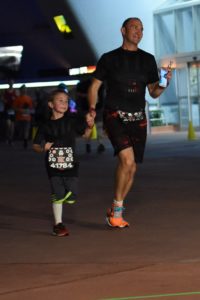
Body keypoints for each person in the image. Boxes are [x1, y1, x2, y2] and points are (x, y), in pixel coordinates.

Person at [88, 17, 172, 228]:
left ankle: (115, 207)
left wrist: (165, 84)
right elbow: (94, 88)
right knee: (126, 161)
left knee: (132, 168)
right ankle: (117, 214)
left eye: (141, 29)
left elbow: (153, 93)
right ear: (123, 30)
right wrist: (91, 109)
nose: (138, 31)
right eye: (134, 27)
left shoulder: (148, 59)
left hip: (138, 118)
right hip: (114, 115)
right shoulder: (109, 58)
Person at [32, 89, 94, 237]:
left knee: (72, 195)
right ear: (50, 104)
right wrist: (42, 147)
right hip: (53, 164)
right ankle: (58, 224)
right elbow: (35, 145)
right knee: (57, 194)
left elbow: (86, 136)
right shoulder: (45, 125)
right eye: (60, 100)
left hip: (71, 162)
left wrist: (90, 126)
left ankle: (65, 200)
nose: (64, 103)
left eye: (66, 101)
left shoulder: (71, 120)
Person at [76, 78, 105, 154]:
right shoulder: (100, 84)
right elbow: (102, 97)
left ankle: (89, 144)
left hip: (87, 108)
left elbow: (78, 97)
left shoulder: (82, 84)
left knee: (90, 126)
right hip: (96, 108)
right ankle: (99, 144)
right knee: (97, 126)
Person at [13, 84, 34, 149]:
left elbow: (31, 108)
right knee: (21, 130)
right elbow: (14, 108)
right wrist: (21, 110)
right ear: (21, 90)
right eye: (23, 89)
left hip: (27, 117)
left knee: (26, 130)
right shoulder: (17, 99)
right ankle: (22, 139)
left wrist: (29, 110)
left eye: (25, 89)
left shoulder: (29, 98)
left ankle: (25, 141)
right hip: (19, 117)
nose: (24, 90)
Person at [3, 80, 17, 145]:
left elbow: (17, 100)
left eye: (12, 82)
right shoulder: (5, 91)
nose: (11, 83)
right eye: (10, 82)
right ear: (8, 83)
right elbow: (3, 100)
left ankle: (11, 139)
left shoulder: (15, 91)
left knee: (12, 126)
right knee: (8, 125)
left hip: (13, 110)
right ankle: (7, 138)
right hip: (7, 110)